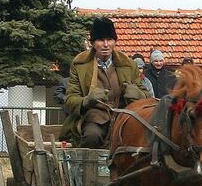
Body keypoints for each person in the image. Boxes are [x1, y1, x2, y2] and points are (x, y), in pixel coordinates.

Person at [61, 17, 150, 148]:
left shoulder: (128, 64)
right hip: (93, 119)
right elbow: (69, 100)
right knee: (92, 136)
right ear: (93, 43)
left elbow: (148, 97)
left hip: (123, 118)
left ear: (115, 42)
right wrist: (86, 100)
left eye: (109, 40)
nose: (106, 44)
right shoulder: (80, 64)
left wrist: (139, 95)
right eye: (100, 40)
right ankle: (86, 168)